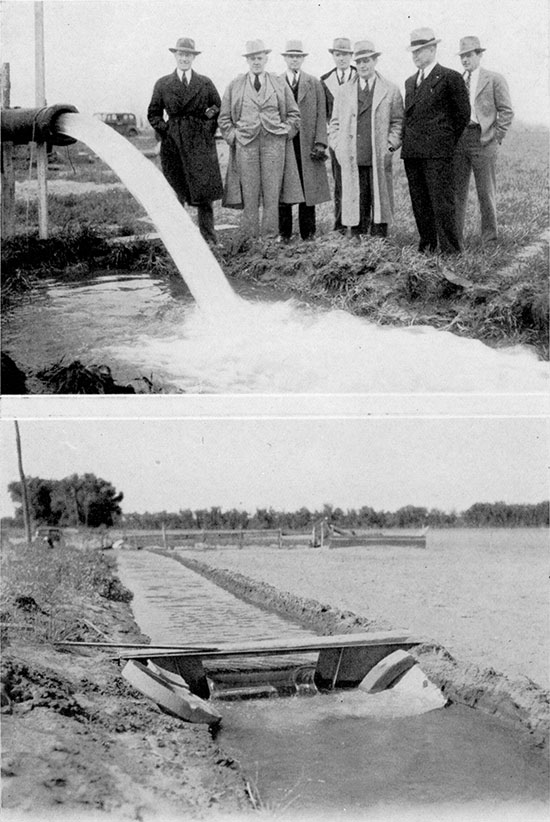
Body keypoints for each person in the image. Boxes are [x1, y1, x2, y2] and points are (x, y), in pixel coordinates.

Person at [219, 39, 302, 240]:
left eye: (259, 58)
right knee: (249, 195)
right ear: (247, 61)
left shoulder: (278, 83)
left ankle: (270, 239)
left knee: (272, 195)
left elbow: (294, 114)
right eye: (252, 58)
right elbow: (224, 118)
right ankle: (250, 238)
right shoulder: (235, 85)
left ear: (266, 59)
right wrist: (234, 137)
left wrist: (285, 132)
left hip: (274, 145)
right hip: (246, 146)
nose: (256, 62)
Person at [147, 37, 223, 246]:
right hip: (174, 144)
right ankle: (179, 240)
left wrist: (205, 127)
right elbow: (153, 114)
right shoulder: (163, 84)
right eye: (181, 54)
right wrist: (168, 131)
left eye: (188, 55)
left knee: (204, 192)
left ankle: (209, 238)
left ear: (193, 57)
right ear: (175, 56)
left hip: (200, 144)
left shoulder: (205, 82)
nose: (184, 58)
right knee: (177, 190)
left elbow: (217, 107)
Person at [401, 28, 470, 255]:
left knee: (442, 203)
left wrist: (443, 143)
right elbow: (409, 116)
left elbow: (462, 115)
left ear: (432, 49)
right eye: (413, 52)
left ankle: (451, 250)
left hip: (438, 153)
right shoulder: (410, 81)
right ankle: (427, 246)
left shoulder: (450, 78)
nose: (416, 56)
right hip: (412, 154)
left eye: (420, 51)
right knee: (420, 203)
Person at [328, 40, 403, 238]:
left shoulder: (391, 89)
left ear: (375, 60)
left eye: (367, 60)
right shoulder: (344, 91)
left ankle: (379, 245)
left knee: (379, 201)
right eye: (359, 61)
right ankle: (358, 244)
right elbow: (334, 124)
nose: (362, 65)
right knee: (356, 201)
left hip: (377, 156)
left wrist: (390, 145)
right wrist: (338, 146)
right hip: (353, 156)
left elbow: (398, 122)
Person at [453, 36, 514, 246]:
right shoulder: (458, 80)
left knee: (485, 192)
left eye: (469, 55)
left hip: (484, 139)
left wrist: (496, 137)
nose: (465, 60)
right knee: (457, 192)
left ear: (479, 55)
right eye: (462, 56)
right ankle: (455, 240)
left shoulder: (494, 79)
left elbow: (506, 111)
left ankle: (489, 240)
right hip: (460, 140)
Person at [277, 40, 331, 242]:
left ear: (302, 59)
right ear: (285, 58)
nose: (294, 60)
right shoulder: (277, 81)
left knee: (308, 189)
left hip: (307, 143)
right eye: (291, 56)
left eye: (298, 56)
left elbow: (321, 115)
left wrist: (320, 142)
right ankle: (284, 234)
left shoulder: (314, 83)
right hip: (285, 143)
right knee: (285, 188)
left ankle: (308, 233)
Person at [321, 38, 357, 233]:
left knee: (360, 182)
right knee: (340, 183)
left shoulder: (360, 75)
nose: (341, 58)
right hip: (337, 139)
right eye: (338, 54)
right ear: (333, 56)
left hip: (358, 138)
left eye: (345, 54)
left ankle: (360, 226)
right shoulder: (325, 80)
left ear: (351, 56)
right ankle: (340, 226)